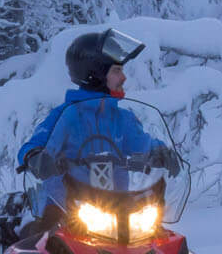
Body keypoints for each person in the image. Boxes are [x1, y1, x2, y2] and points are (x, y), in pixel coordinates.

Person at [15, 28, 172, 224]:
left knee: (157, 244)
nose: (123, 78)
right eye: (117, 71)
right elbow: (33, 145)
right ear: (95, 74)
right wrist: (35, 157)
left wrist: (160, 152)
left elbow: (142, 144)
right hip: (66, 209)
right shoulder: (66, 115)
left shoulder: (122, 118)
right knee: (44, 244)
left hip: (118, 207)